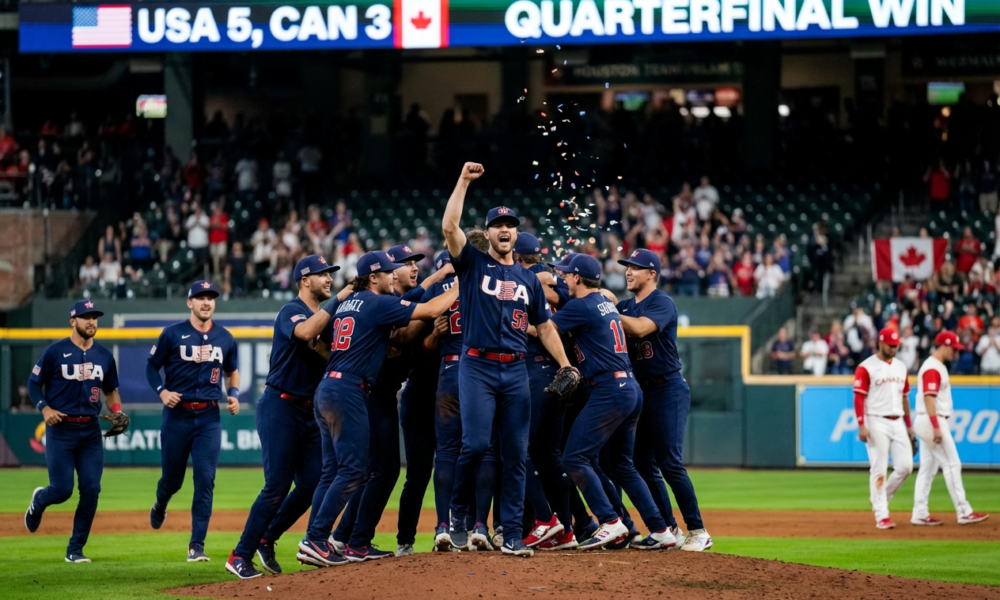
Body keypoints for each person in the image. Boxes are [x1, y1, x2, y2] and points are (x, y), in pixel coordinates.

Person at [441, 163, 574, 558]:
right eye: (498, 223)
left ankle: (513, 533)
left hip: (515, 368)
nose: (504, 229)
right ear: (489, 232)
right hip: (477, 365)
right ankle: (459, 515)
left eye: (510, 224)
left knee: (517, 452)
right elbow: (450, 227)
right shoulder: (472, 264)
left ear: (516, 233)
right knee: (477, 443)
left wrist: (567, 364)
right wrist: (463, 180)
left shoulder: (529, 280)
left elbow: (545, 327)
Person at [298, 252, 457, 567]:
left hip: (328, 386)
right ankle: (316, 539)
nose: (393, 276)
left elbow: (318, 341)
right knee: (354, 470)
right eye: (388, 272)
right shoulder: (378, 302)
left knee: (335, 471)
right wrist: (466, 279)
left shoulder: (348, 304)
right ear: (374, 277)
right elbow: (432, 308)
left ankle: (337, 541)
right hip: (351, 390)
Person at [226, 256, 349, 579]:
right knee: (277, 485)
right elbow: (306, 330)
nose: (328, 278)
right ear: (304, 280)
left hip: (308, 410)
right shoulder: (291, 310)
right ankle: (240, 554)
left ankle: (267, 537)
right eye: (322, 274)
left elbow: (327, 351)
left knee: (310, 483)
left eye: (330, 274)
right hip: (279, 405)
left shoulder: (326, 318)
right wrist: (341, 298)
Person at [544, 254, 676, 551]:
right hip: (630, 388)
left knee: (574, 457)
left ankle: (609, 521)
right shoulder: (604, 304)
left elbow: (546, 329)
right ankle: (660, 528)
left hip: (608, 389)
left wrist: (514, 326)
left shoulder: (581, 305)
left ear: (578, 278)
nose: (564, 278)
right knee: (622, 465)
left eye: (567, 274)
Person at [617, 248, 712, 551]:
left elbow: (642, 328)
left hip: (668, 388)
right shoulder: (626, 305)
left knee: (670, 461)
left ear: (651, 274)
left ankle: (698, 530)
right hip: (641, 390)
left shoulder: (662, 302)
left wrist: (608, 312)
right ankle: (668, 529)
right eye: (627, 267)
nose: (628, 272)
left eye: (635, 267)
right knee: (642, 462)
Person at [24, 300, 125, 563]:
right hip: (61, 429)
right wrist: (44, 408)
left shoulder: (103, 355)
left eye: (94, 317)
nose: (91, 321)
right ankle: (39, 501)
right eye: (85, 316)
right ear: (73, 321)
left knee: (91, 489)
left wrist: (116, 412)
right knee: (62, 490)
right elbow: (34, 384)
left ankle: (75, 549)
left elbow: (111, 390)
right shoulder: (55, 352)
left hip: (90, 431)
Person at [146, 281, 241, 562]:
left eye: (210, 298)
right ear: (189, 303)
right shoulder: (172, 334)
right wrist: (162, 391)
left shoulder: (225, 337)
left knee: (205, 479)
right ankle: (161, 501)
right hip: (177, 415)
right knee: (172, 480)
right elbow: (151, 366)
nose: (206, 302)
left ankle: (196, 545)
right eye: (200, 297)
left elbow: (232, 371)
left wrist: (233, 394)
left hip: (209, 416)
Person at [911, 331, 990, 527]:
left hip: (927, 420)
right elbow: (929, 398)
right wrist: (936, 426)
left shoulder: (937, 366)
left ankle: (919, 513)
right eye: (954, 349)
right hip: (931, 420)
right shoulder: (932, 367)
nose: (957, 353)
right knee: (952, 464)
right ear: (944, 346)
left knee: (928, 469)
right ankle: (963, 510)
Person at [853, 328, 915, 529]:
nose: (894, 348)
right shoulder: (866, 367)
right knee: (879, 468)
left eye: (896, 345)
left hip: (897, 420)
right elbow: (859, 397)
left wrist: (909, 426)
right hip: (875, 420)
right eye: (891, 345)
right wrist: (861, 424)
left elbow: (904, 397)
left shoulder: (901, 367)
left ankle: (879, 498)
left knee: (906, 466)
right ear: (881, 343)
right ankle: (882, 515)